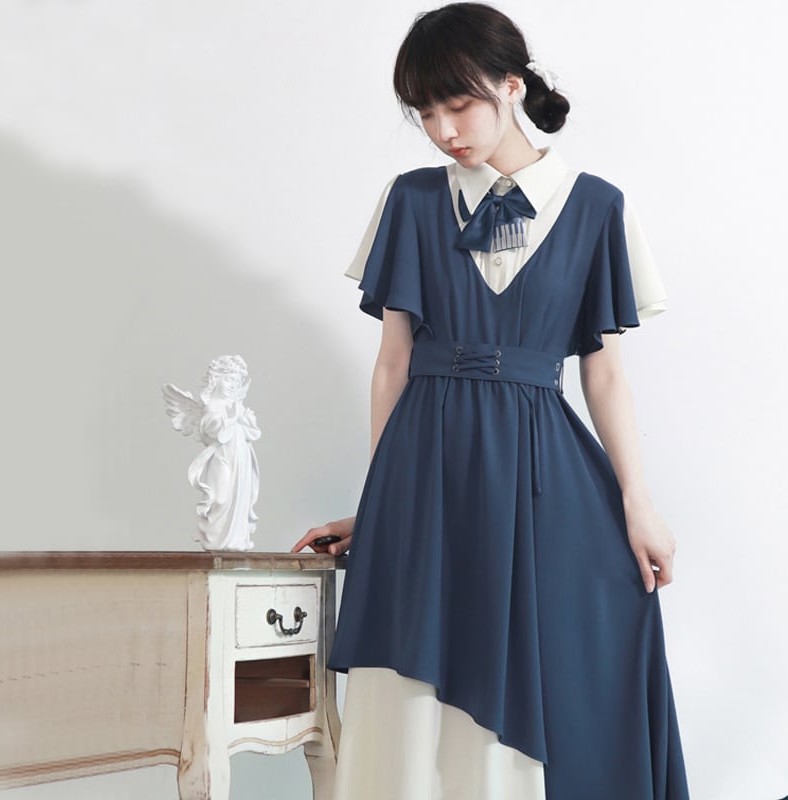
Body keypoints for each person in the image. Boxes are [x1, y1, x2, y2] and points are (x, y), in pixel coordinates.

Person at [292, 3, 690, 798]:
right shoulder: (411, 201)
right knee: (413, 682)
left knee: (583, 643)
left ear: (511, 86)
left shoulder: (596, 206)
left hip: (545, 476)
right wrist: (382, 505)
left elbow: (604, 374)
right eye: (425, 112)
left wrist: (638, 504)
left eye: (459, 104)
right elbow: (393, 365)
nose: (444, 130)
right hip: (426, 471)